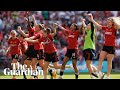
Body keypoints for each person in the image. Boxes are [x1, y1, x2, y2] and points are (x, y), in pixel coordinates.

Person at [87, 13, 118, 79]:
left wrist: (114, 20)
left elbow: (118, 25)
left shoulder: (114, 28)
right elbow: (98, 26)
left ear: (112, 23)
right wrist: (92, 19)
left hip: (111, 47)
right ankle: (98, 72)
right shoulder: (106, 28)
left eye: (109, 22)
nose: (108, 23)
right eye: (107, 22)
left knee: (109, 62)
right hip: (105, 46)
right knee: (100, 58)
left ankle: (108, 76)